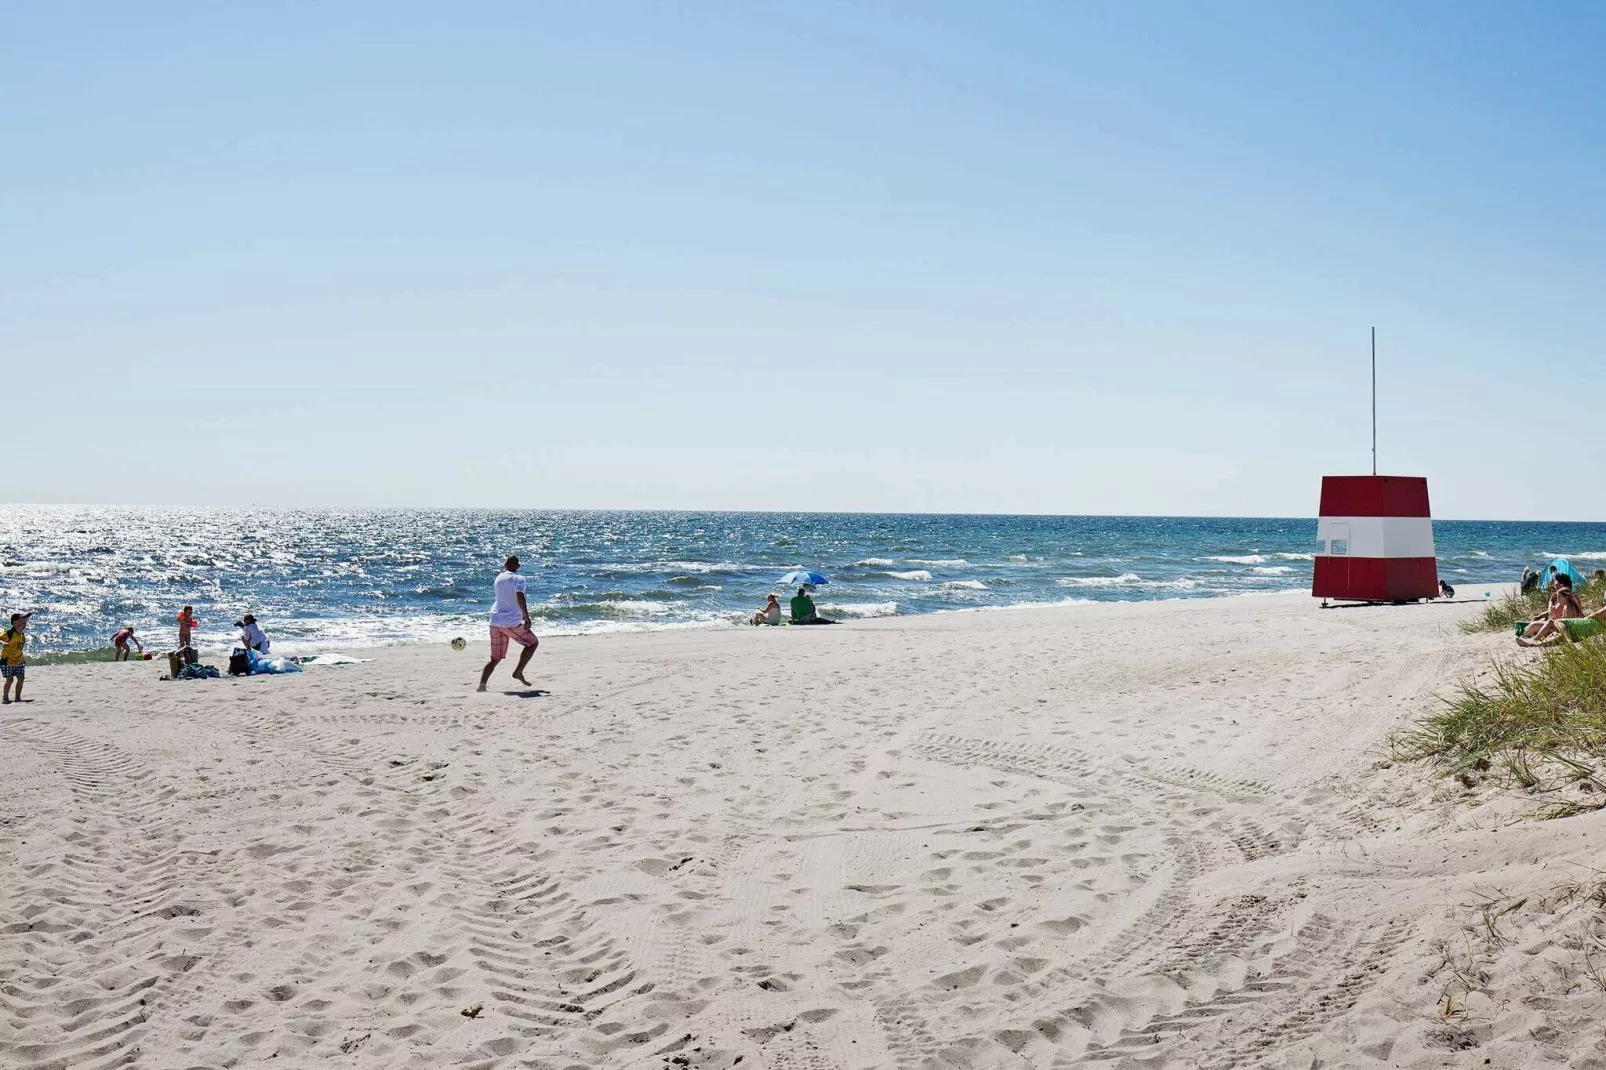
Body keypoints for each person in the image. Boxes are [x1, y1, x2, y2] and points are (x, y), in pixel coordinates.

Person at [479, 555, 539, 691]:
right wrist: (526, 616)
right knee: (532, 643)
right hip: (510, 622)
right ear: (517, 566)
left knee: (495, 658)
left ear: (505, 566)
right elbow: (519, 595)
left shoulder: (499, 578)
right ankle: (518, 672)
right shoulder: (519, 578)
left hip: (495, 621)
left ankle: (482, 686)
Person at [1518, 574, 1584, 643]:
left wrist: (1550, 602)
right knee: (1540, 620)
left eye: (1555, 584)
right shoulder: (1573, 596)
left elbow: (1552, 615)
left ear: (1560, 585)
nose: (1554, 586)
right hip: (1571, 625)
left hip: (1564, 628)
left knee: (1533, 626)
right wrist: (1540, 616)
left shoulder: (1565, 601)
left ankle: (1529, 638)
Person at [2, 612, 29, 704]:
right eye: (22, 622)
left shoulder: (22, 634)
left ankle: (18, 698)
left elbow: (20, 648)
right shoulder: (9, 633)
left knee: (21, 678)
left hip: (19, 660)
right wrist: (3, 643)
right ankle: (5, 698)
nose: (24, 624)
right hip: (7, 660)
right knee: (10, 679)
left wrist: (22, 657)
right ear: (15, 623)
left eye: (25, 622)